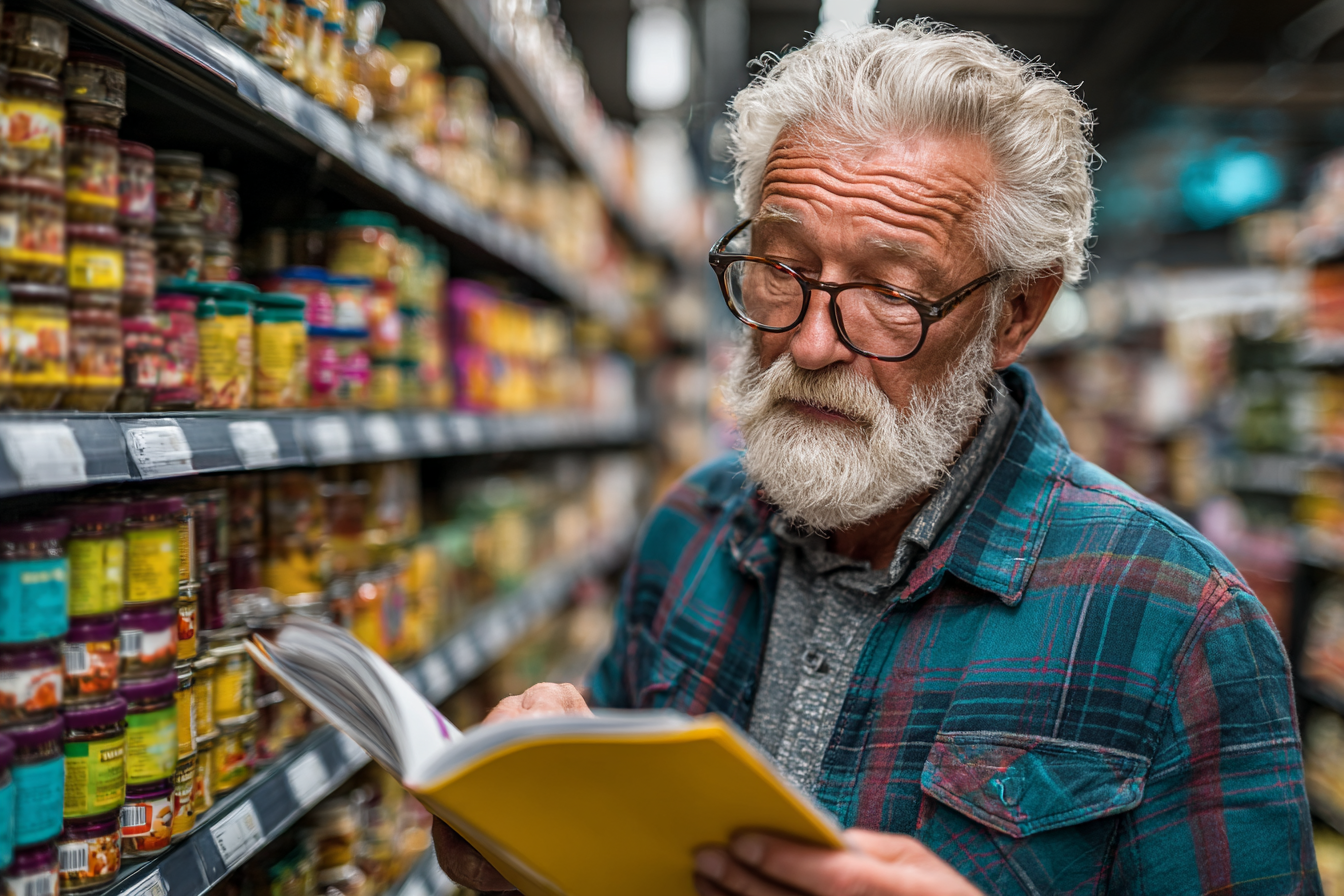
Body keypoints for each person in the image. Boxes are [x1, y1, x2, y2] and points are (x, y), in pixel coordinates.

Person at [433, 20, 1320, 895]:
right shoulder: (689, 531)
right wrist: (529, 846)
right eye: (780, 267)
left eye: (891, 294)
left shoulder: (1179, 621)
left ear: (1016, 313)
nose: (812, 344)